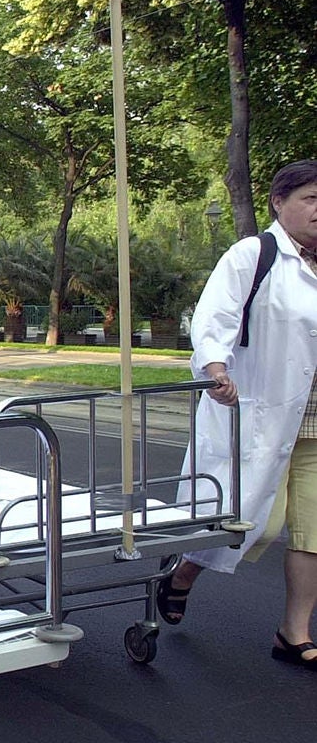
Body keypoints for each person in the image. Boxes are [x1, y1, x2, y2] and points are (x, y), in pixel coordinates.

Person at [160, 160, 317, 671]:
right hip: (265, 414)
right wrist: (215, 368)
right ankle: (183, 572)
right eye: (311, 199)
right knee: (249, 522)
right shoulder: (254, 255)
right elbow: (215, 317)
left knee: (313, 533)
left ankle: (293, 632)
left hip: (314, 425)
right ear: (279, 202)